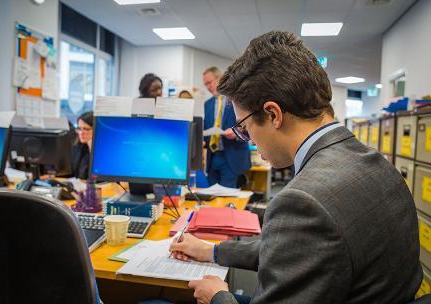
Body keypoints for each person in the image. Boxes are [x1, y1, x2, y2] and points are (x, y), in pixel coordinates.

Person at [170, 31, 422, 304]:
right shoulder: (379, 165)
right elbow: (296, 249)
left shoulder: (302, 202)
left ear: (273, 114)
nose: (249, 139)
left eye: (244, 128)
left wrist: (218, 296)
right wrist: (213, 252)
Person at [202, 66, 251, 188]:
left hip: (232, 156)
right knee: (212, 195)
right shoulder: (207, 105)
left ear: (219, 78)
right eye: (205, 84)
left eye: (209, 82)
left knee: (227, 196)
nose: (208, 86)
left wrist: (236, 133)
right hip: (212, 158)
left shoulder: (238, 100)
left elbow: (249, 126)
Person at [71, 111, 93, 179]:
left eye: (86, 129)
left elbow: (92, 177)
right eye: (79, 129)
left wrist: (91, 149)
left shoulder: (104, 152)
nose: (81, 133)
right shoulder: (78, 146)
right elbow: (74, 174)